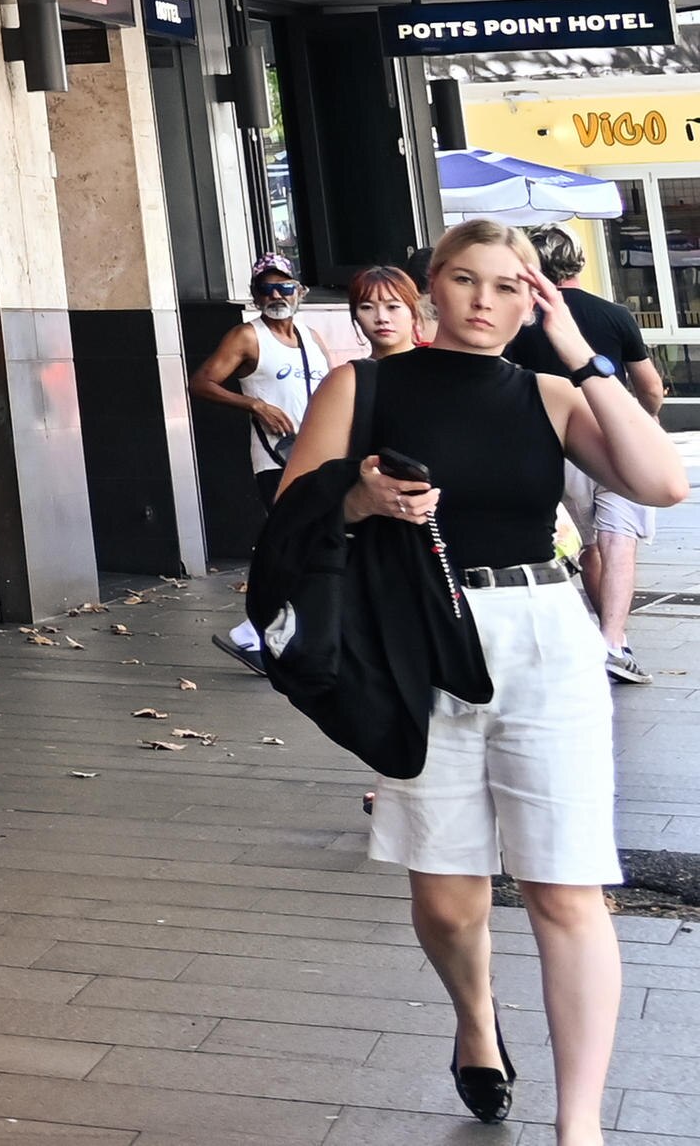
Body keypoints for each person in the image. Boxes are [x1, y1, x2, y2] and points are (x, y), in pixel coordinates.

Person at [281, 217, 689, 1141]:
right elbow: (289, 515)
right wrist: (360, 498)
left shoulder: (550, 394)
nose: (485, 301)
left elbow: (664, 484)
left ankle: (577, 1124)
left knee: (566, 886)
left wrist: (584, 355)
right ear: (433, 286)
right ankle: (476, 1021)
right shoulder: (364, 385)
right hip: (417, 639)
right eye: (466, 280)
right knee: (447, 896)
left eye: (511, 286)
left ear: (534, 298)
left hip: (545, 636)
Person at [512, 227, 670, 684]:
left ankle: (605, 640)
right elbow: (650, 386)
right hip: (617, 434)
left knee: (589, 547)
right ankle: (613, 641)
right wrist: (646, 420)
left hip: (556, 440)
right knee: (620, 538)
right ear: (579, 262)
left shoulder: (524, 323)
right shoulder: (614, 314)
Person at [193, 252, 360, 480]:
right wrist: (256, 405)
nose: (275, 295)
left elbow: (332, 391)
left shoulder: (311, 337)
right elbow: (200, 383)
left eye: (285, 288)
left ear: (300, 291)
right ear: (255, 295)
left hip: (321, 456)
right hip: (277, 459)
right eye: (265, 289)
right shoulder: (247, 336)